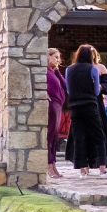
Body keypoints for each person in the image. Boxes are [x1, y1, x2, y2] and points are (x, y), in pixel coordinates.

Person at [64, 44, 107, 174]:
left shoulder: (69, 69)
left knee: (79, 137)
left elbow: (68, 89)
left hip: (75, 106)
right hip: (90, 105)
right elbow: (96, 91)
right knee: (99, 136)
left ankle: (82, 169)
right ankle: (102, 167)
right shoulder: (92, 69)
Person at [45, 46, 68, 174]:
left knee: (55, 136)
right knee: (50, 135)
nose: (58, 60)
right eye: (56, 57)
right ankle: (48, 165)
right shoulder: (44, 71)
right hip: (52, 105)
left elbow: (66, 85)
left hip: (58, 105)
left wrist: (58, 71)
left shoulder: (53, 72)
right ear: (48, 56)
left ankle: (53, 163)